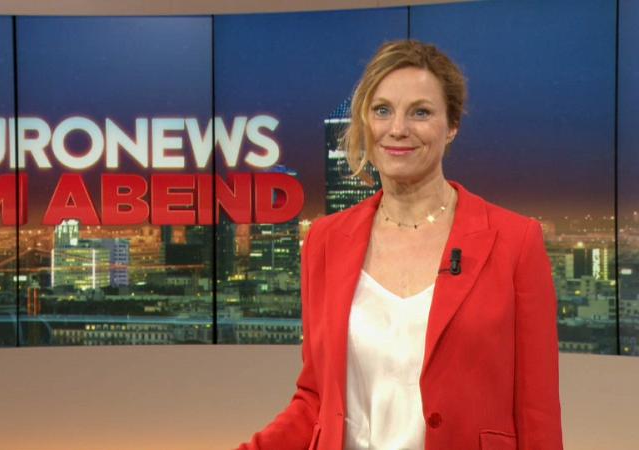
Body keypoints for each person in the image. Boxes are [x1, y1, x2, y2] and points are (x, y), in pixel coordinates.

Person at [236, 40, 563, 450]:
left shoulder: (515, 242)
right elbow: (316, 400)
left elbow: (536, 413)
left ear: (452, 125)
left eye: (420, 112)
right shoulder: (325, 240)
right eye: (382, 110)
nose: (397, 129)